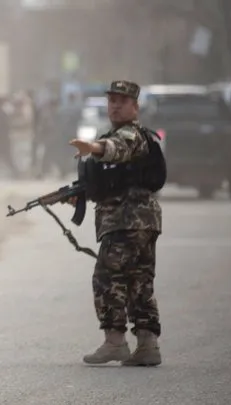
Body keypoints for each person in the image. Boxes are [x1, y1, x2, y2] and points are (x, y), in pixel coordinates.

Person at [68, 80, 162, 366]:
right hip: (143, 221)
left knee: (107, 278)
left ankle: (114, 341)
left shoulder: (131, 135)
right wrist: (81, 194)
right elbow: (111, 178)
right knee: (139, 281)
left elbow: (115, 149)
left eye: (122, 101)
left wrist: (93, 147)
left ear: (135, 106)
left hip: (126, 221)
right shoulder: (126, 135)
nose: (115, 106)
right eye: (112, 101)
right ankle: (147, 344)